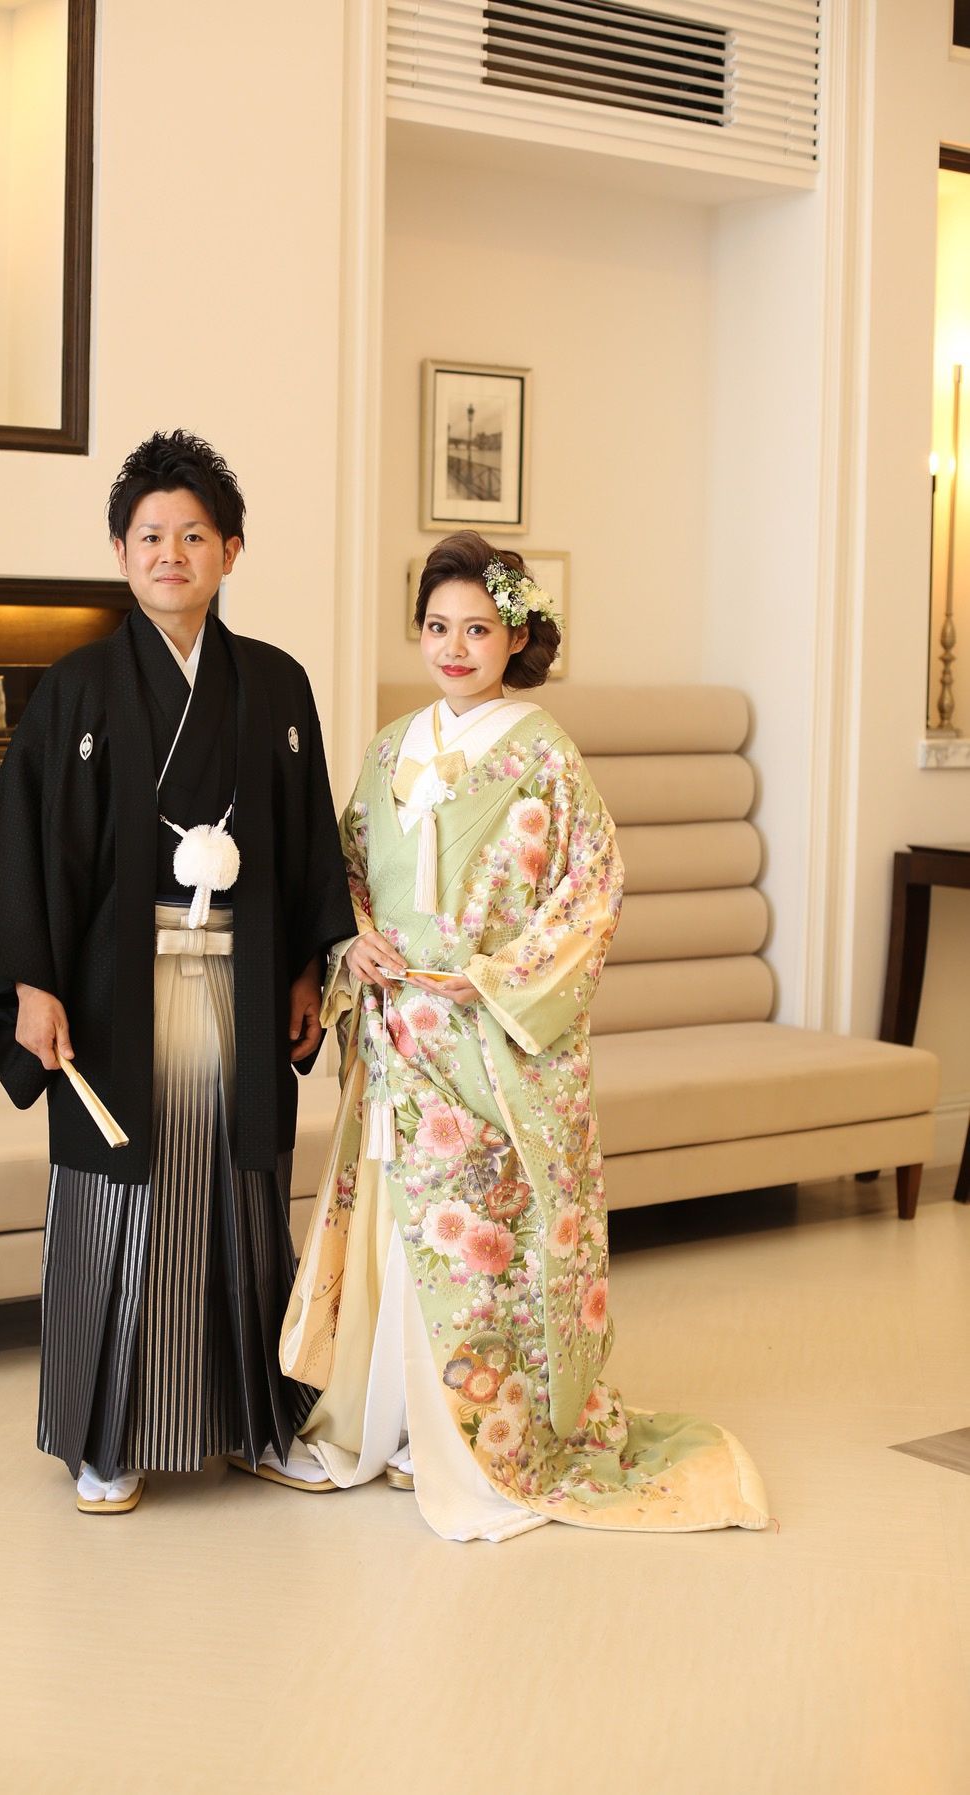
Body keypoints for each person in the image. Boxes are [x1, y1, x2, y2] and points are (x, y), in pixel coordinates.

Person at [281, 530, 769, 1541]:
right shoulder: (390, 747)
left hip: (490, 1037)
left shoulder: (544, 752)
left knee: (480, 1242)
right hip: (399, 1031)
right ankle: (392, 1423)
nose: (453, 648)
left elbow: (591, 890)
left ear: (515, 638)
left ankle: (480, 1440)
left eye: (477, 629)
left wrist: (491, 982)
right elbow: (347, 867)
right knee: (403, 1230)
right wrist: (354, 940)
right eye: (436, 627)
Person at [0, 430, 354, 1513]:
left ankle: (258, 1422)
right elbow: (28, 847)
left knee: (239, 1196)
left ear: (230, 551)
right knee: (118, 1198)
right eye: (150, 536)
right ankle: (108, 1437)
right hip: (112, 990)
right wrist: (32, 984)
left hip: (242, 981)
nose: (171, 554)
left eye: (194, 535)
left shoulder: (275, 684)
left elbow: (305, 845)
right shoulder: (76, 688)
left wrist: (305, 971)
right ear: (120, 552)